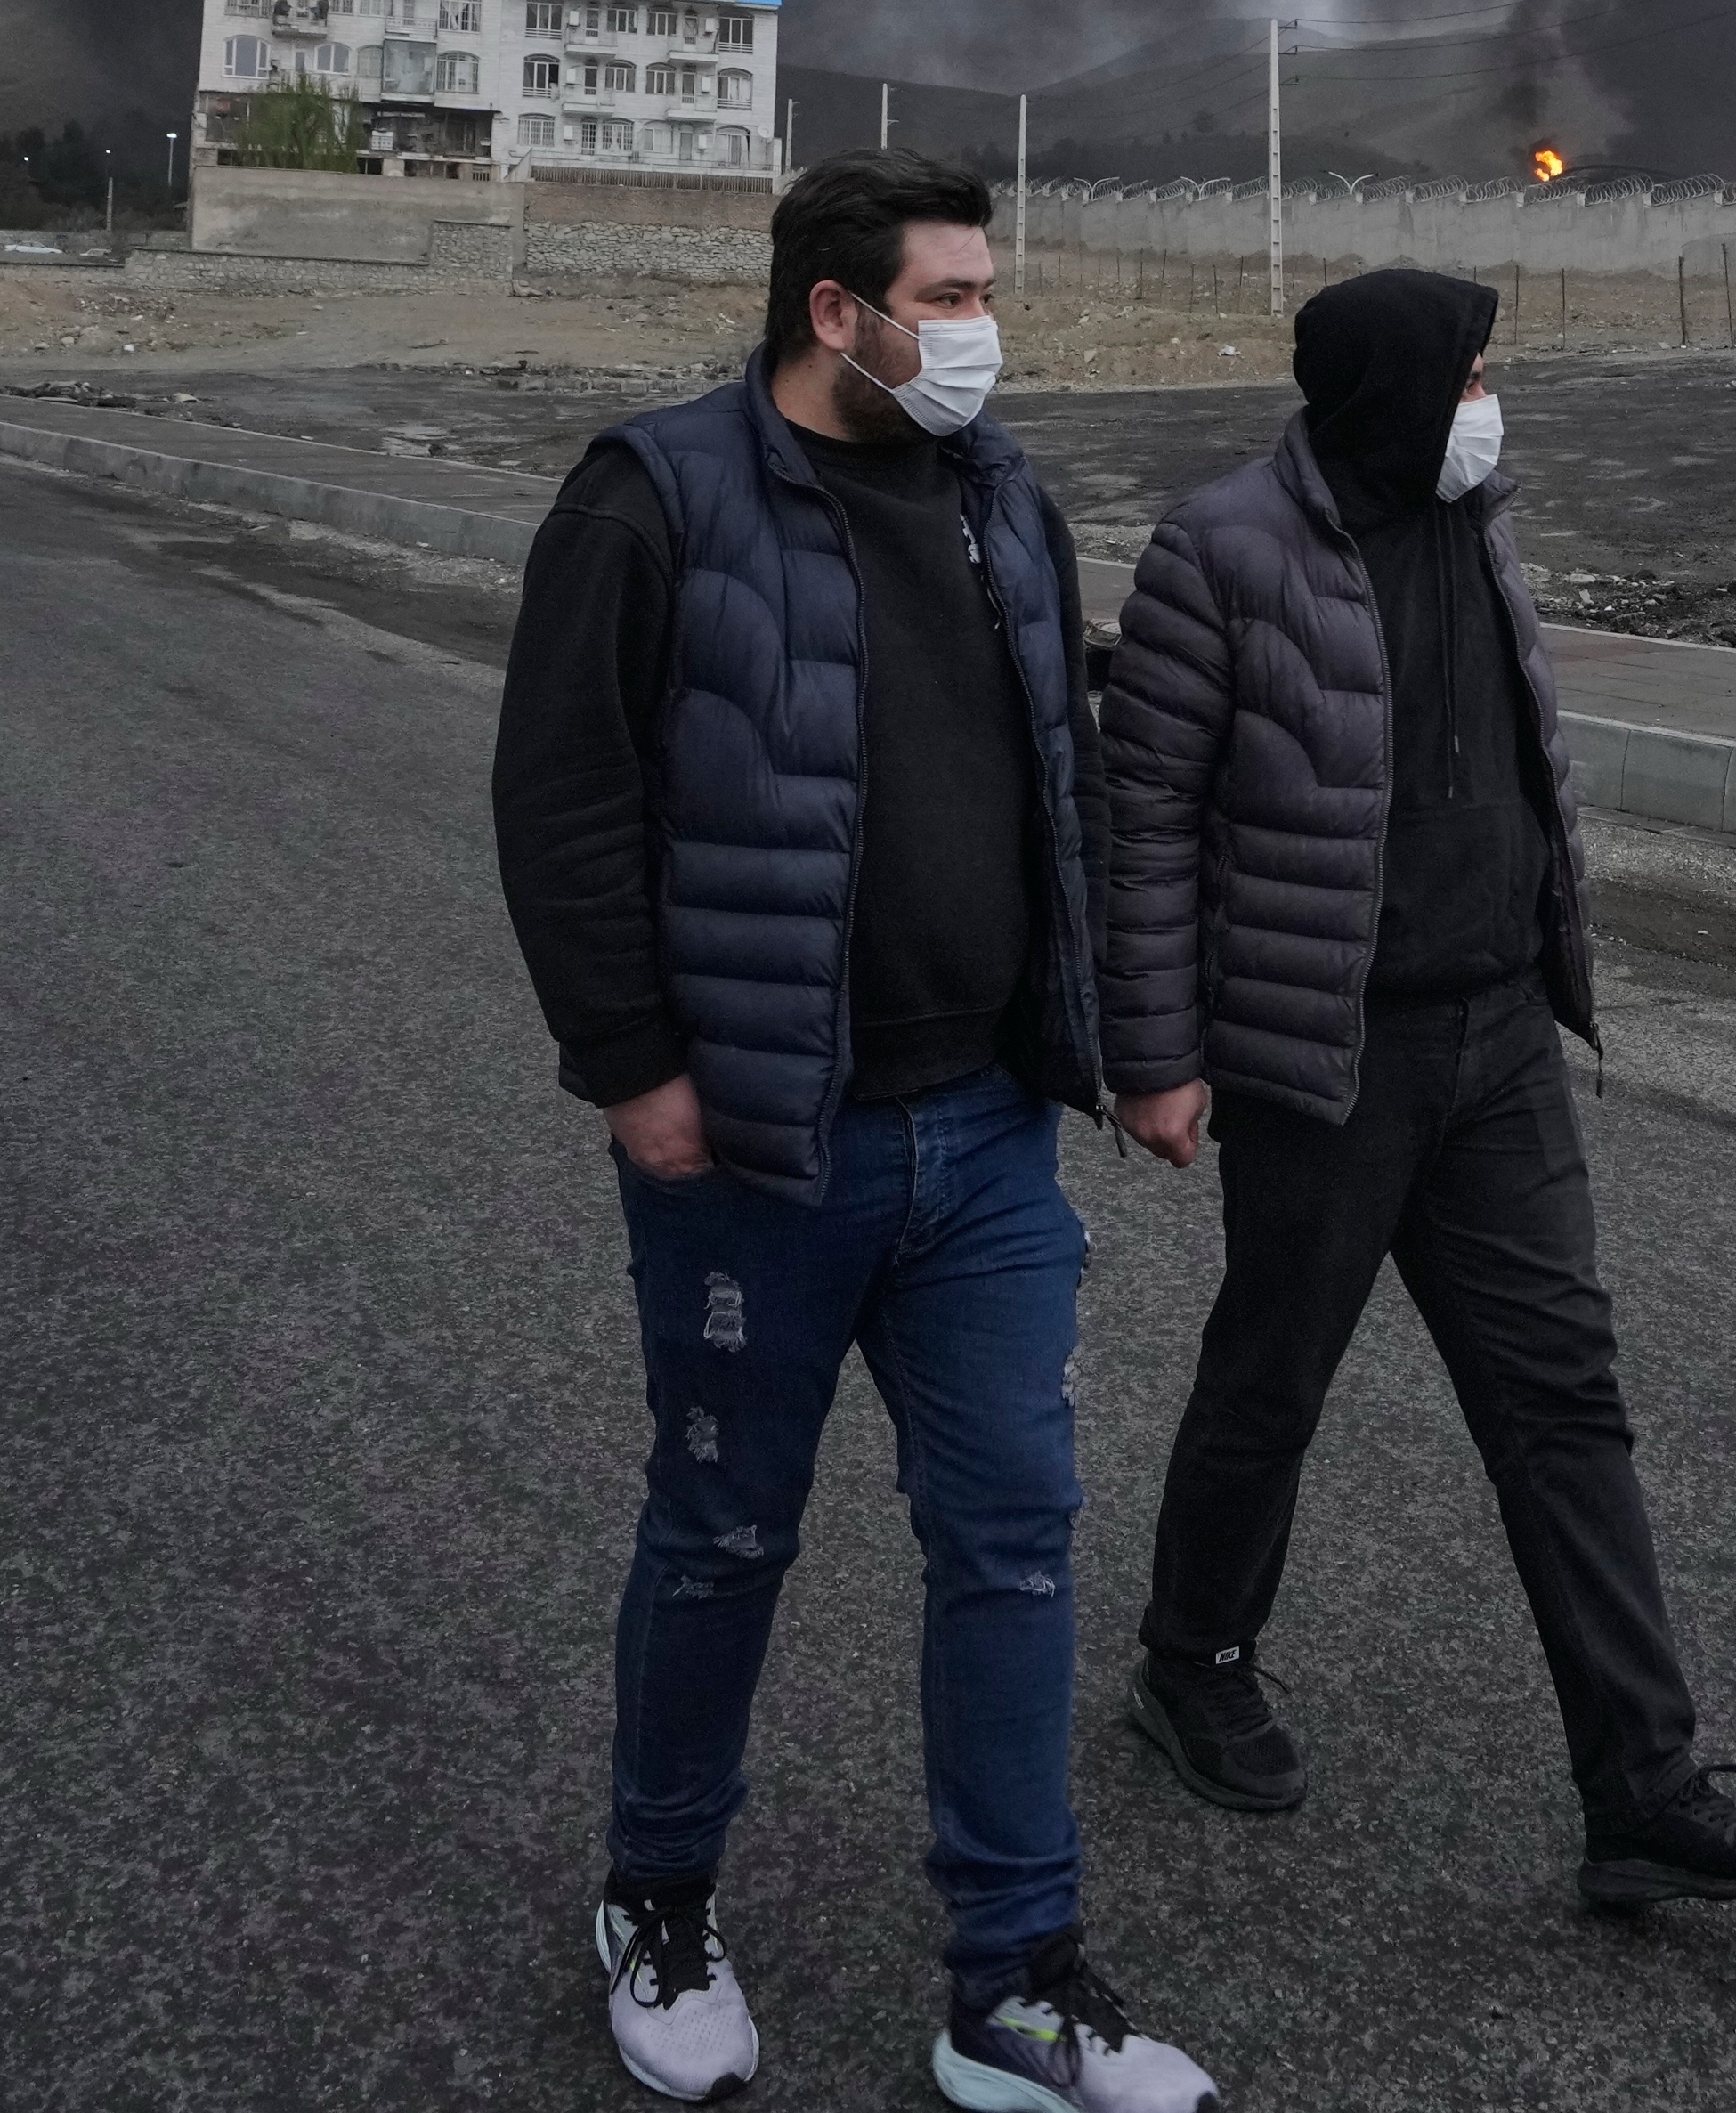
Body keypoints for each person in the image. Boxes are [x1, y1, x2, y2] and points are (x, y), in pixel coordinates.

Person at [490, 150, 1217, 2113]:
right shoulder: (655, 492)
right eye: (955, 293)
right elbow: (563, 797)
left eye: (985, 294)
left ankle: (1016, 1979)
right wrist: (634, 1065)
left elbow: (1062, 784)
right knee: (724, 1531)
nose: (983, 329)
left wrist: (1127, 1042)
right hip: (756, 1144)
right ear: (840, 308)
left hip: (983, 1137)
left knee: (1013, 1538)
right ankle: (655, 1896)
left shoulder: (1002, 499)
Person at [1101, 272, 1736, 1914]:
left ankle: (1643, 1787)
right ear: (1393, 391)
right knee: (1274, 1375)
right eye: (1474, 371)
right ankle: (1192, 1657)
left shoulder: (1472, 512)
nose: (1494, 397)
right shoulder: (1219, 550)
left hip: (1497, 1039)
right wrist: (1154, 1053)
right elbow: (1143, 817)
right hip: (1326, 1051)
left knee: (1564, 1399)